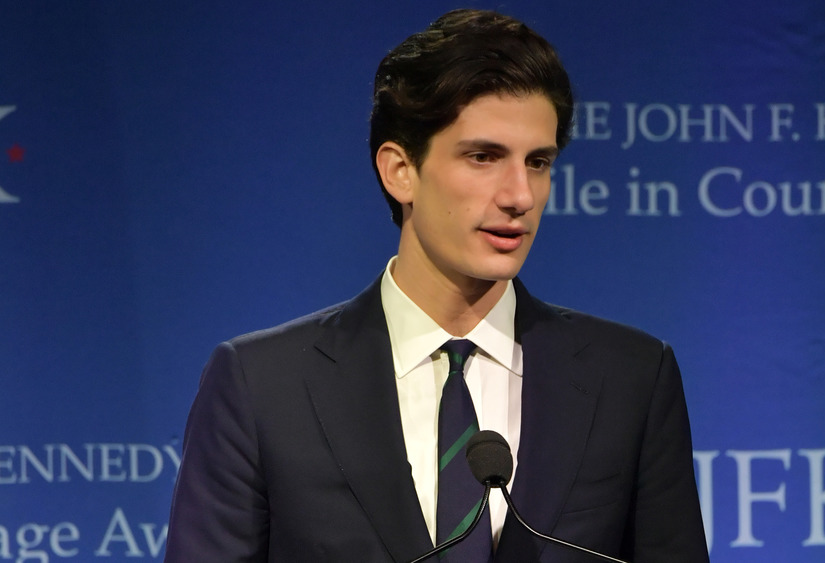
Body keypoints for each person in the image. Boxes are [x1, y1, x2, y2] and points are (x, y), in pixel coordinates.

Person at [164, 8, 709, 562]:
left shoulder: (631, 380)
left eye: (538, 161)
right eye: (483, 157)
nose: (519, 194)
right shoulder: (264, 387)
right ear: (400, 171)